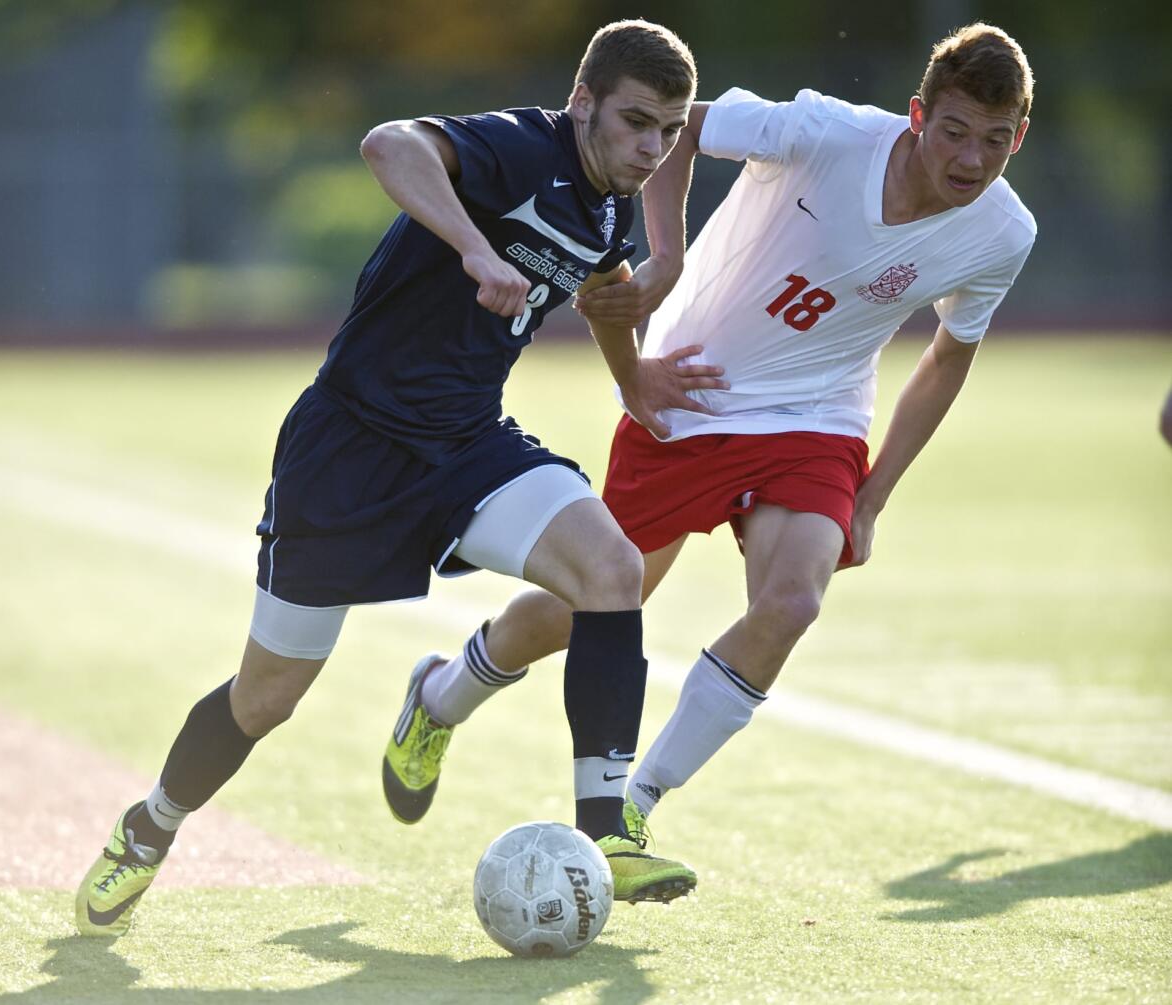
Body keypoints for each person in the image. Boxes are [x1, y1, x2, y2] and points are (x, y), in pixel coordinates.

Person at [75, 19, 723, 937]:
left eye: (667, 129)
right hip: (347, 451)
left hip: (467, 443)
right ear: (583, 104)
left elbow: (603, 284)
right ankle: (149, 827)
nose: (651, 148)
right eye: (634, 123)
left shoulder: (613, 199)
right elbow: (390, 144)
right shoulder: (522, 146)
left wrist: (634, 376)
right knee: (268, 696)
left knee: (612, 569)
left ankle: (606, 830)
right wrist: (471, 246)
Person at [395, 23, 1036, 844]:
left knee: (793, 601)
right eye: (954, 131)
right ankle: (441, 695)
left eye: (994, 141)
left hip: (817, 419)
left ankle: (634, 808)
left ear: (1018, 137)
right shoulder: (829, 133)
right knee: (586, 604)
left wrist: (872, 496)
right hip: (690, 390)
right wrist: (665, 259)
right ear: (917, 116)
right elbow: (687, 123)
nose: (971, 160)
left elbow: (948, 357)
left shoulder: (1004, 235)